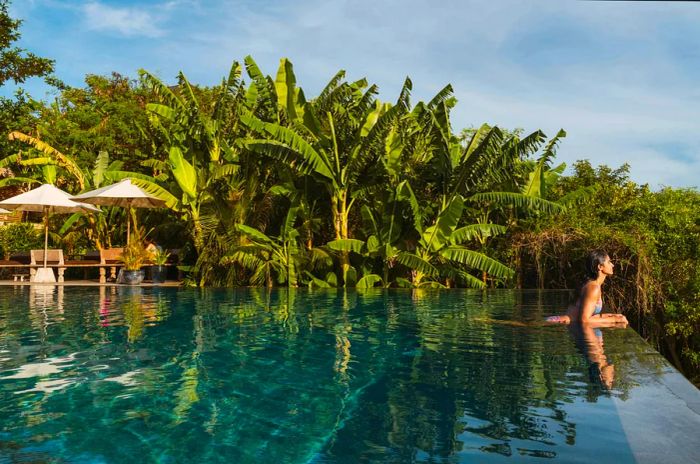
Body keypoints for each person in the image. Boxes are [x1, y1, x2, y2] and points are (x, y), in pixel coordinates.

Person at [546, 250, 628, 327]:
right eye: (609, 262)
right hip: (559, 324)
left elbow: (589, 315)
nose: (612, 265)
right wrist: (614, 320)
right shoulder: (593, 287)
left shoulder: (591, 284)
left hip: (561, 323)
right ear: (600, 267)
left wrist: (611, 316)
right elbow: (584, 320)